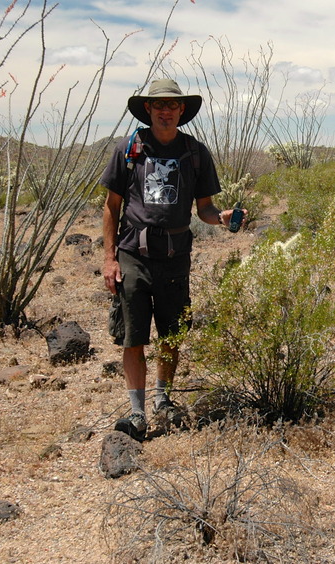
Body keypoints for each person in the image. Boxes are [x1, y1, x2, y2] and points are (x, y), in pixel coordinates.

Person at [100, 78, 245, 441]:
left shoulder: (195, 152)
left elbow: (205, 209)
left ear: (182, 111)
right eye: (159, 105)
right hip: (134, 252)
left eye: (173, 105)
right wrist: (109, 258)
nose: (166, 111)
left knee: (171, 333)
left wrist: (222, 218)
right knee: (134, 334)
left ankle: (162, 400)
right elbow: (111, 207)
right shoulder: (129, 148)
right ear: (148, 109)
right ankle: (136, 413)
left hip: (176, 256)